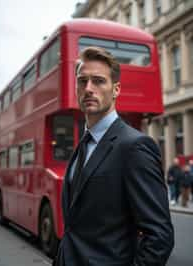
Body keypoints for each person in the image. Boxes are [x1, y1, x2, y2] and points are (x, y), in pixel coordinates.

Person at [53, 46, 174, 266]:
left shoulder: (135, 147)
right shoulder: (83, 145)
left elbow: (159, 237)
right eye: (82, 81)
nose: (88, 88)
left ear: (116, 89)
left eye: (98, 81)